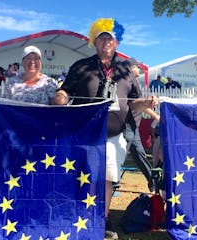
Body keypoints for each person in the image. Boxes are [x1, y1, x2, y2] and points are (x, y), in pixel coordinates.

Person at [52, 18, 157, 239]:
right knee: (83, 175)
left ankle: (103, 218)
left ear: (117, 43)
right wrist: (60, 97)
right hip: (84, 133)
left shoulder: (126, 70)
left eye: (110, 38)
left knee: (108, 177)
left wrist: (145, 104)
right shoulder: (81, 66)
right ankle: (80, 215)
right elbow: (66, 91)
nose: (106, 42)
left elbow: (133, 102)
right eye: (102, 38)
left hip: (114, 134)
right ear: (94, 41)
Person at [125, 57, 160, 192]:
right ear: (131, 68)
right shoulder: (128, 83)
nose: (138, 69)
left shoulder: (135, 83)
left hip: (133, 126)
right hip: (125, 126)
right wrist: (155, 115)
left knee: (140, 154)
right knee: (121, 155)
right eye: (136, 66)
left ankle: (152, 181)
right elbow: (137, 105)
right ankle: (112, 183)